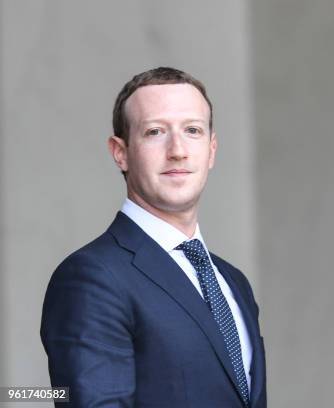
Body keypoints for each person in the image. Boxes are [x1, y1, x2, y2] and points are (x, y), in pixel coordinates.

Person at [40, 67, 266, 407]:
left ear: (212, 149)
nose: (178, 150)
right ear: (121, 152)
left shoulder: (233, 283)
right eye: (156, 131)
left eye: (192, 130)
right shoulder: (91, 278)